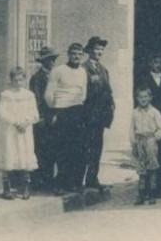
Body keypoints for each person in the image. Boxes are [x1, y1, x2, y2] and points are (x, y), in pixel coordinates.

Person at [44, 42, 88, 194]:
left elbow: (83, 92)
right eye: (74, 53)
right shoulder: (58, 71)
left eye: (79, 54)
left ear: (82, 56)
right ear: (69, 54)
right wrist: (55, 111)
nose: (76, 56)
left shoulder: (83, 72)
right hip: (61, 111)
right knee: (62, 150)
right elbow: (49, 95)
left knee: (76, 149)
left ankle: (73, 183)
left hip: (78, 111)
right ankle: (60, 184)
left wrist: (79, 106)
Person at [0, 68, 39, 200]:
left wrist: (26, 122)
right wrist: (15, 122)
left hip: (24, 130)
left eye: (21, 80)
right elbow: (2, 113)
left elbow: (35, 114)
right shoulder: (6, 95)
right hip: (10, 130)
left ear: (24, 80)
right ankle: (6, 189)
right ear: (11, 80)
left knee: (25, 155)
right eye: (15, 80)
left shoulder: (29, 95)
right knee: (9, 154)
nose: (18, 83)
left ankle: (25, 188)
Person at [137, 53, 161, 198]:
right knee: (148, 154)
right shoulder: (143, 79)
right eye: (155, 62)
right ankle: (147, 189)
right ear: (150, 63)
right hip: (149, 122)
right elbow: (141, 99)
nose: (158, 65)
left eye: (160, 62)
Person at [82, 36, 115, 190]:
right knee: (86, 147)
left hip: (100, 116)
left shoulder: (103, 70)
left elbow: (108, 91)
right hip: (88, 115)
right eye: (96, 48)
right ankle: (80, 180)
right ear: (89, 50)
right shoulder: (83, 68)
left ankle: (92, 179)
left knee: (97, 148)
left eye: (101, 49)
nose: (99, 52)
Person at [129, 85, 161, 205]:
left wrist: (155, 137)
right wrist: (133, 142)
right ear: (137, 98)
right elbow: (131, 129)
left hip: (150, 141)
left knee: (151, 167)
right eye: (140, 97)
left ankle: (151, 193)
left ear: (150, 98)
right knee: (141, 168)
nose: (143, 99)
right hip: (139, 141)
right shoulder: (135, 113)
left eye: (145, 96)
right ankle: (141, 194)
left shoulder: (155, 112)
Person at [29, 45, 59, 191]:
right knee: (41, 150)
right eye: (50, 59)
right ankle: (39, 181)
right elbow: (37, 99)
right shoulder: (37, 78)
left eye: (54, 59)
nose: (53, 62)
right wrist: (46, 116)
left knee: (52, 150)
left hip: (54, 118)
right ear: (44, 61)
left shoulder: (55, 77)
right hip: (42, 119)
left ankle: (48, 178)